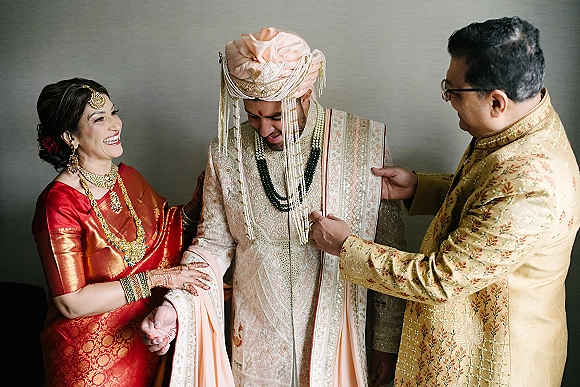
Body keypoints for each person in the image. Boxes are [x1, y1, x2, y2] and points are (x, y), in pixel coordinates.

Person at [308, 16, 580, 387]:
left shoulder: (531, 182)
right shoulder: (523, 123)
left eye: (454, 91)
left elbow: (438, 279)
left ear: (497, 101)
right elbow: (489, 198)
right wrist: (421, 188)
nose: (447, 99)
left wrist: (345, 246)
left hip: (495, 361)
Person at [141, 27, 407, 386]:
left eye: (276, 116)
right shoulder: (227, 152)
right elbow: (212, 245)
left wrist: (386, 346)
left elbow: (389, 249)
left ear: (305, 95)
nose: (264, 128)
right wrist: (174, 306)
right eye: (253, 116)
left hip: (337, 335)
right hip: (256, 344)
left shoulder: (362, 142)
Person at [32, 78, 209, 387]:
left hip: (145, 338)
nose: (115, 125)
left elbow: (166, 231)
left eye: (114, 113)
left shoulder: (127, 178)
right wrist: (157, 279)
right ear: (69, 136)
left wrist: (199, 201)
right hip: (91, 361)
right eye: (99, 119)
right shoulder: (58, 203)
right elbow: (70, 303)